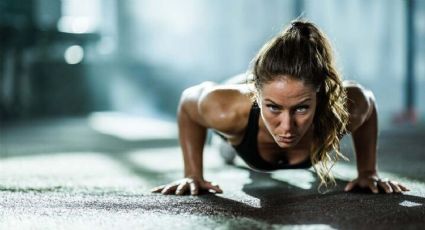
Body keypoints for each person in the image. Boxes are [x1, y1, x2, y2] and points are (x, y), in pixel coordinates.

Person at [151, 20, 410, 195]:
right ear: (258, 95)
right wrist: (192, 174)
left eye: (300, 109)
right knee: (226, 145)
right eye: (274, 108)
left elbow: (369, 103)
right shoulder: (225, 109)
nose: (287, 127)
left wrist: (368, 171)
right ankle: (235, 134)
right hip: (239, 131)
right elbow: (188, 103)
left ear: (319, 94)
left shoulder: (346, 106)